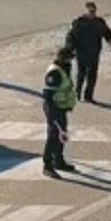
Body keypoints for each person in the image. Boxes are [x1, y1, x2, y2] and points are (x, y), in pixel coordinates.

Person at [66, 1, 111, 103]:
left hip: (94, 52)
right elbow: (71, 36)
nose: (92, 13)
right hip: (82, 52)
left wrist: (110, 39)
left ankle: (88, 96)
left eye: (94, 11)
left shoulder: (99, 22)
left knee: (92, 75)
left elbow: (106, 31)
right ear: (86, 11)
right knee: (81, 74)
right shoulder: (79, 22)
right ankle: (77, 94)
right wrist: (69, 49)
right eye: (90, 11)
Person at [41, 46, 78, 180]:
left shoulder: (65, 67)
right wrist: (52, 115)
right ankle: (47, 165)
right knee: (53, 135)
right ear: (63, 57)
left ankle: (58, 160)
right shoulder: (54, 73)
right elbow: (47, 95)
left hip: (61, 107)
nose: (72, 60)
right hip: (53, 107)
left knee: (62, 134)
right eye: (70, 57)